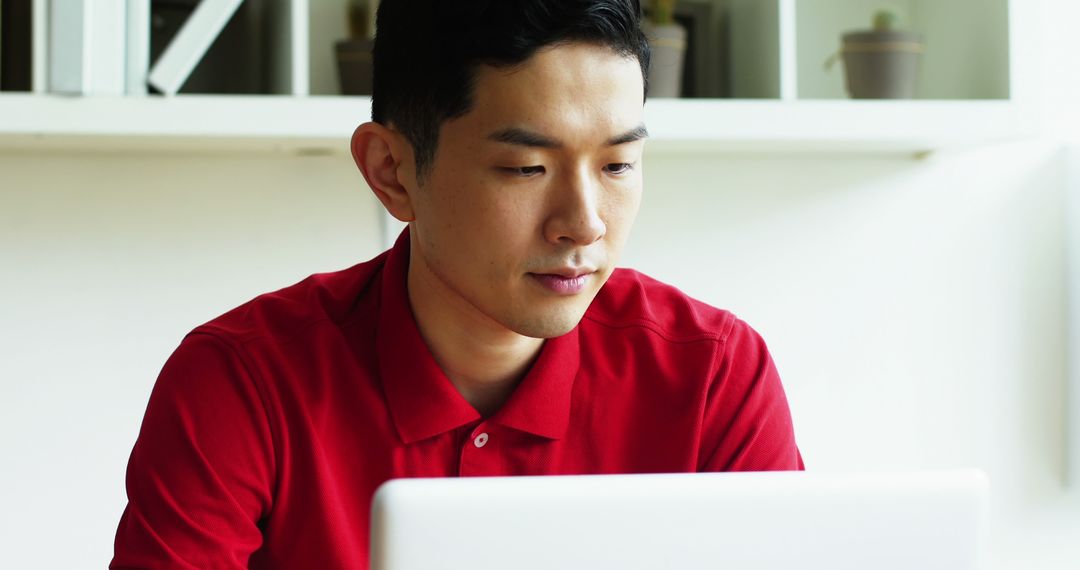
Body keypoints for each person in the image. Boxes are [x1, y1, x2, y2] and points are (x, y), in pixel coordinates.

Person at [110, 0, 803, 568]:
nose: (584, 226)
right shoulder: (241, 383)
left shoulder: (714, 375)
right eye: (526, 169)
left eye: (617, 165)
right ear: (392, 171)